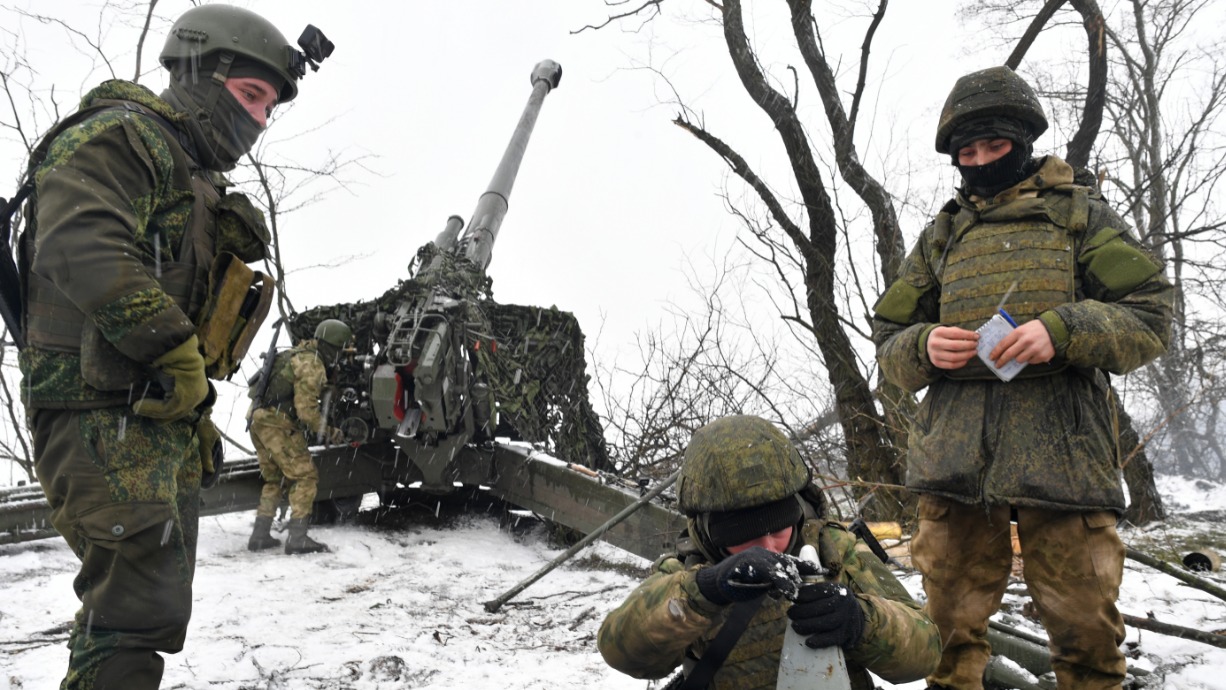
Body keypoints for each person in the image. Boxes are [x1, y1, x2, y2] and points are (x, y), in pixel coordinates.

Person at [16, 5, 330, 688]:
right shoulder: (124, 136)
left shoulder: (189, 174)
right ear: (200, 72)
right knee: (129, 616)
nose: (257, 121)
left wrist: (192, 413)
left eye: (269, 107)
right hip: (98, 414)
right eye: (250, 96)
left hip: (139, 417)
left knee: (144, 616)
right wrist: (177, 357)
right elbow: (82, 245)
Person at [871, 66, 1174, 690]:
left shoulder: (1079, 218)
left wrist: (1063, 330)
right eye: (967, 151)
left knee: (1087, 637)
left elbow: (1151, 316)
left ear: (1023, 142)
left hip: (1064, 462)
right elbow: (888, 343)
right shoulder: (943, 237)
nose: (980, 160)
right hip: (955, 468)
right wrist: (924, 345)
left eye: (995, 146)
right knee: (947, 644)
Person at [597, 415, 941, 690]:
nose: (767, 548)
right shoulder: (688, 575)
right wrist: (706, 590)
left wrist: (861, 621)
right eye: (744, 538)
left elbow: (925, 651)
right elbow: (622, 651)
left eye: (778, 529)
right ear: (710, 533)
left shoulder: (835, 552)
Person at [246, 318, 351, 555]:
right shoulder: (311, 363)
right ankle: (297, 538)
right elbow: (306, 412)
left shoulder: (294, 354)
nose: (340, 356)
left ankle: (260, 535)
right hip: (277, 424)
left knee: (275, 479)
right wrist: (330, 431)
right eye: (340, 350)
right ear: (332, 346)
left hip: (257, 421)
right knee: (305, 477)